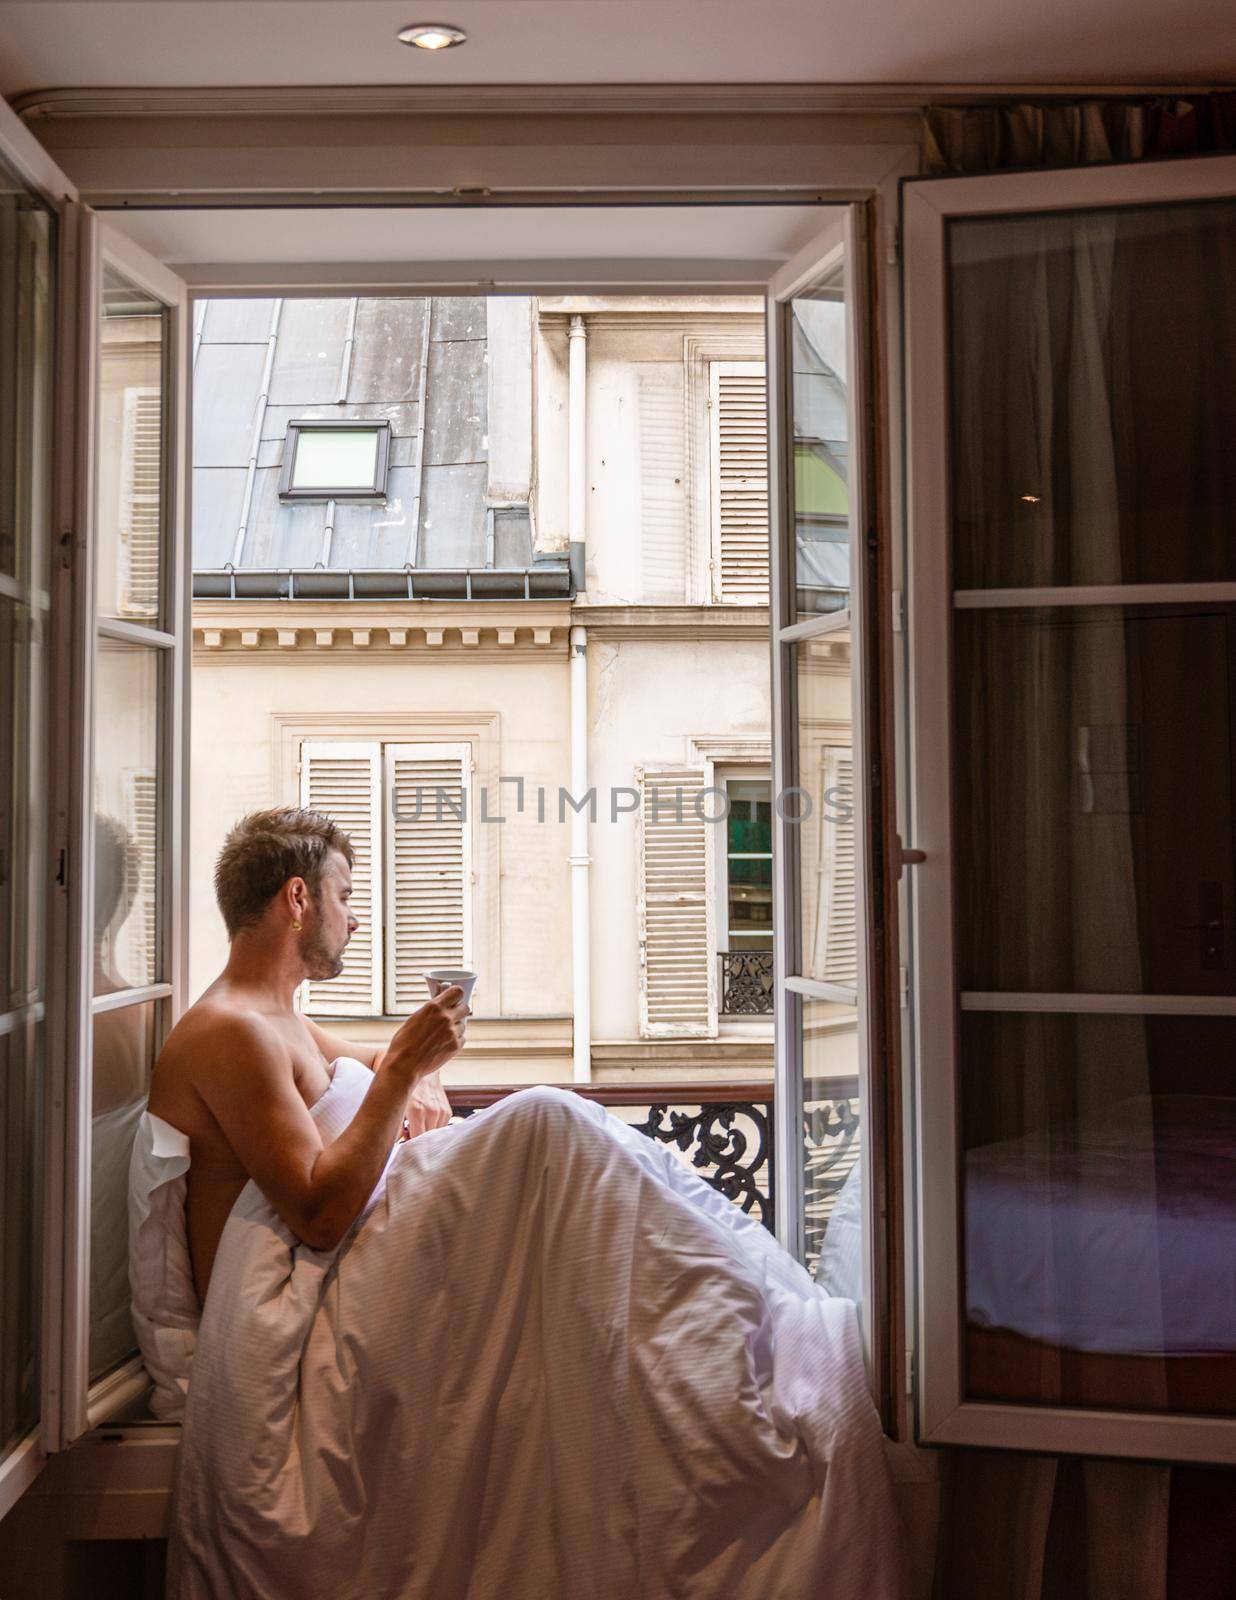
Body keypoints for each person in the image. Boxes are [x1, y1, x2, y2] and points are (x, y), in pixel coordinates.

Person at [147, 805, 470, 1302]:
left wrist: (419, 1074)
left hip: (364, 1260)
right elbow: (320, 1217)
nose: (356, 920)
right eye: (344, 897)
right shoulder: (232, 1030)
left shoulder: (280, 1018)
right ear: (298, 899)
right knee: (550, 1123)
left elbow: (383, 1060)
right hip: (308, 1304)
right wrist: (408, 1066)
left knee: (560, 1131)